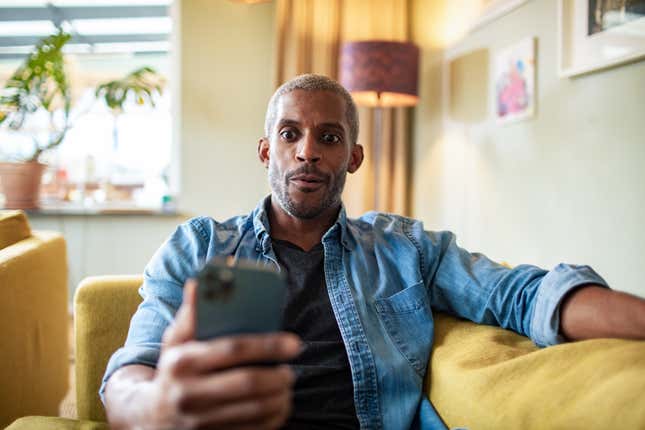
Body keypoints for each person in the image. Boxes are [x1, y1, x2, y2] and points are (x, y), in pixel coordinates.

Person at [102, 74, 645, 430]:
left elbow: (521, 295)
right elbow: (129, 375)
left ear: (354, 157)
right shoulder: (199, 248)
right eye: (290, 134)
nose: (308, 151)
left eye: (329, 137)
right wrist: (159, 408)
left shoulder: (404, 248)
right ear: (267, 150)